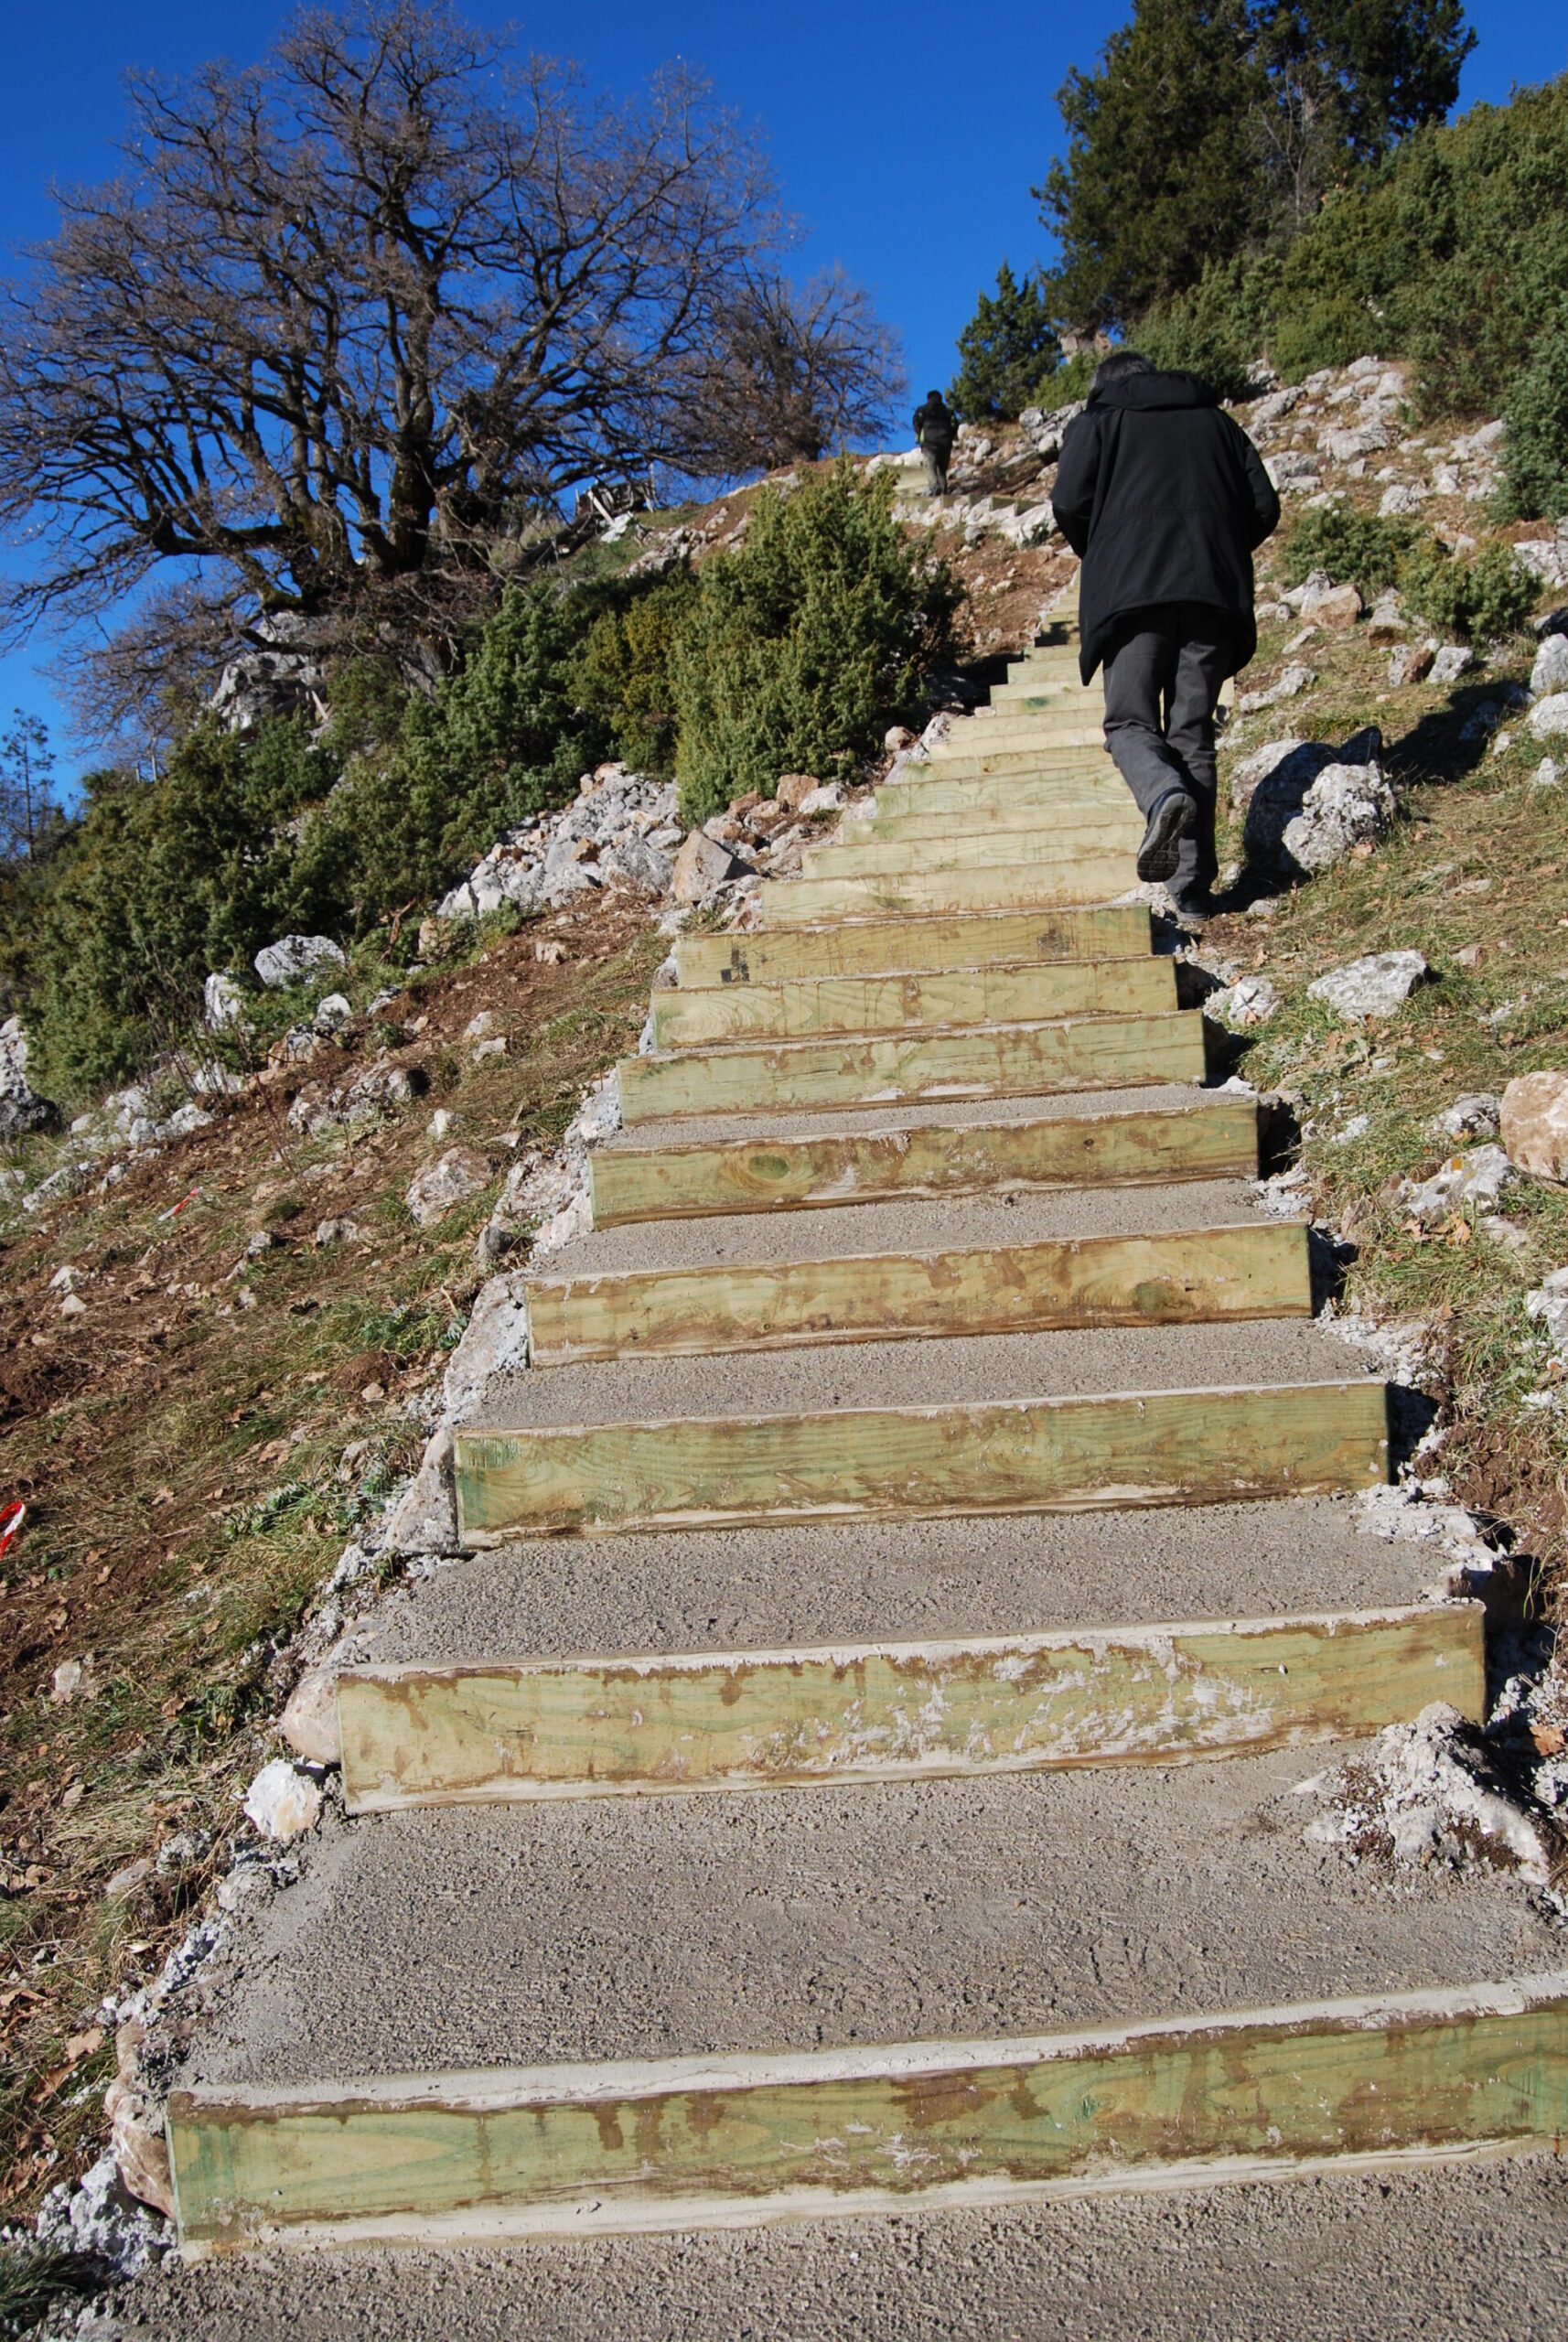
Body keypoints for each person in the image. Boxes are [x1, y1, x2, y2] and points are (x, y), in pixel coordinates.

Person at [1051, 350, 1281, 923]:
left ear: (1103, 387)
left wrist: (1106, 552)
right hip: (1210, 597)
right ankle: (1194, 892)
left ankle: (1160, 795)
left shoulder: (1100, 422)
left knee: (1128, 721)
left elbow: (1068, 502)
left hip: (1132, 599)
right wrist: (1216, 547)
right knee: (1193, 734)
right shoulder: (1217, 422)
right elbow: (1263, 505)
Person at [912, 390, 957, 497]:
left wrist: (920, 434)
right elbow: (955, 424)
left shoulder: (922, 409)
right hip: (945, 444)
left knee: (929, 466)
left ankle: (934, 486)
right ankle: (943, 492)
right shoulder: (948, 411)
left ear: (928, 399)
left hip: (929, 443)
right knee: (942, 470)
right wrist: (949, 436)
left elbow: (916, 422)